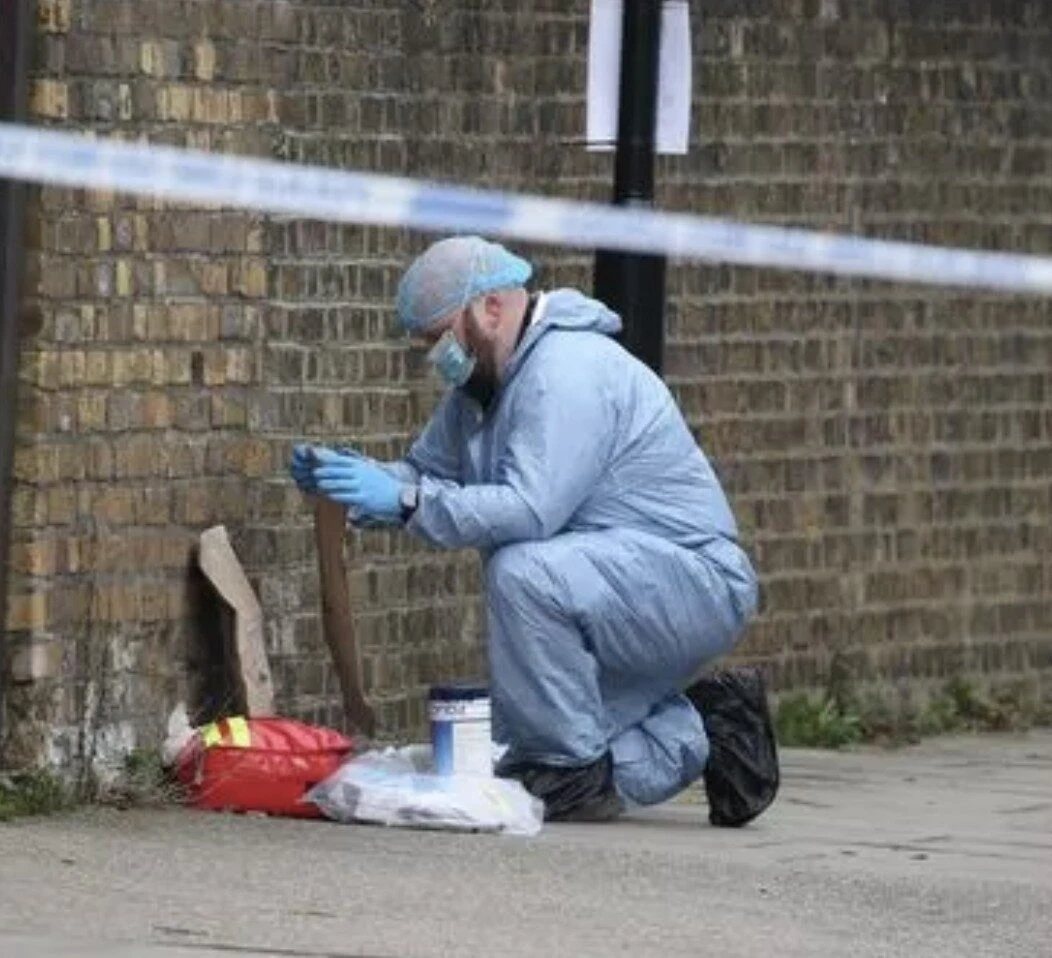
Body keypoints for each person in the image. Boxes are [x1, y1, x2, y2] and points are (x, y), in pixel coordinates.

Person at [290, 235, 779, 825]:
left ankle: (570, 766)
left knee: (523, 573)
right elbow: (422, 477)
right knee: (525, 768)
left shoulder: (565, 373)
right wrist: (354, 483)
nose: (435, 355)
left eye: (440, 335)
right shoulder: (480, 392)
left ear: (490, 308)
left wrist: (403, 500)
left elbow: (529, 510)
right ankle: (703, 728)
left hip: (693, 583)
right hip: (616, 587)